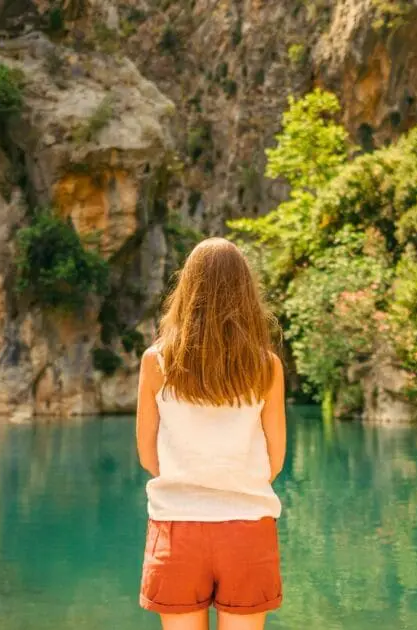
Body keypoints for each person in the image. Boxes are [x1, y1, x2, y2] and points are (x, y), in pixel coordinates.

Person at [136, 237, 287, 630]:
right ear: (246, 292)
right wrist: (234, 482)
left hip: (177, 527)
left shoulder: (156, 361)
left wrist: (190, 482)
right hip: (247, 527)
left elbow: (147, 456)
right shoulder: (267, 366)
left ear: (187, 289)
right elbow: (276, 459)